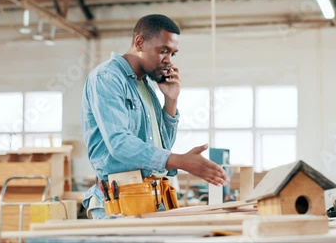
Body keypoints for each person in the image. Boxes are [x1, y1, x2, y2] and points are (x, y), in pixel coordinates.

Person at [81, 14, 229, 219]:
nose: (168, 61)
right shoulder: (107, 78)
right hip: (120, 204)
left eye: (172, 54)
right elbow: (119, 143)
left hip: (153, 198)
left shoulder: (146, 86)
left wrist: (171, 101)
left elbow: (163, 147)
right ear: (139, 42)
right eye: (163, 51)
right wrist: (180, 161)